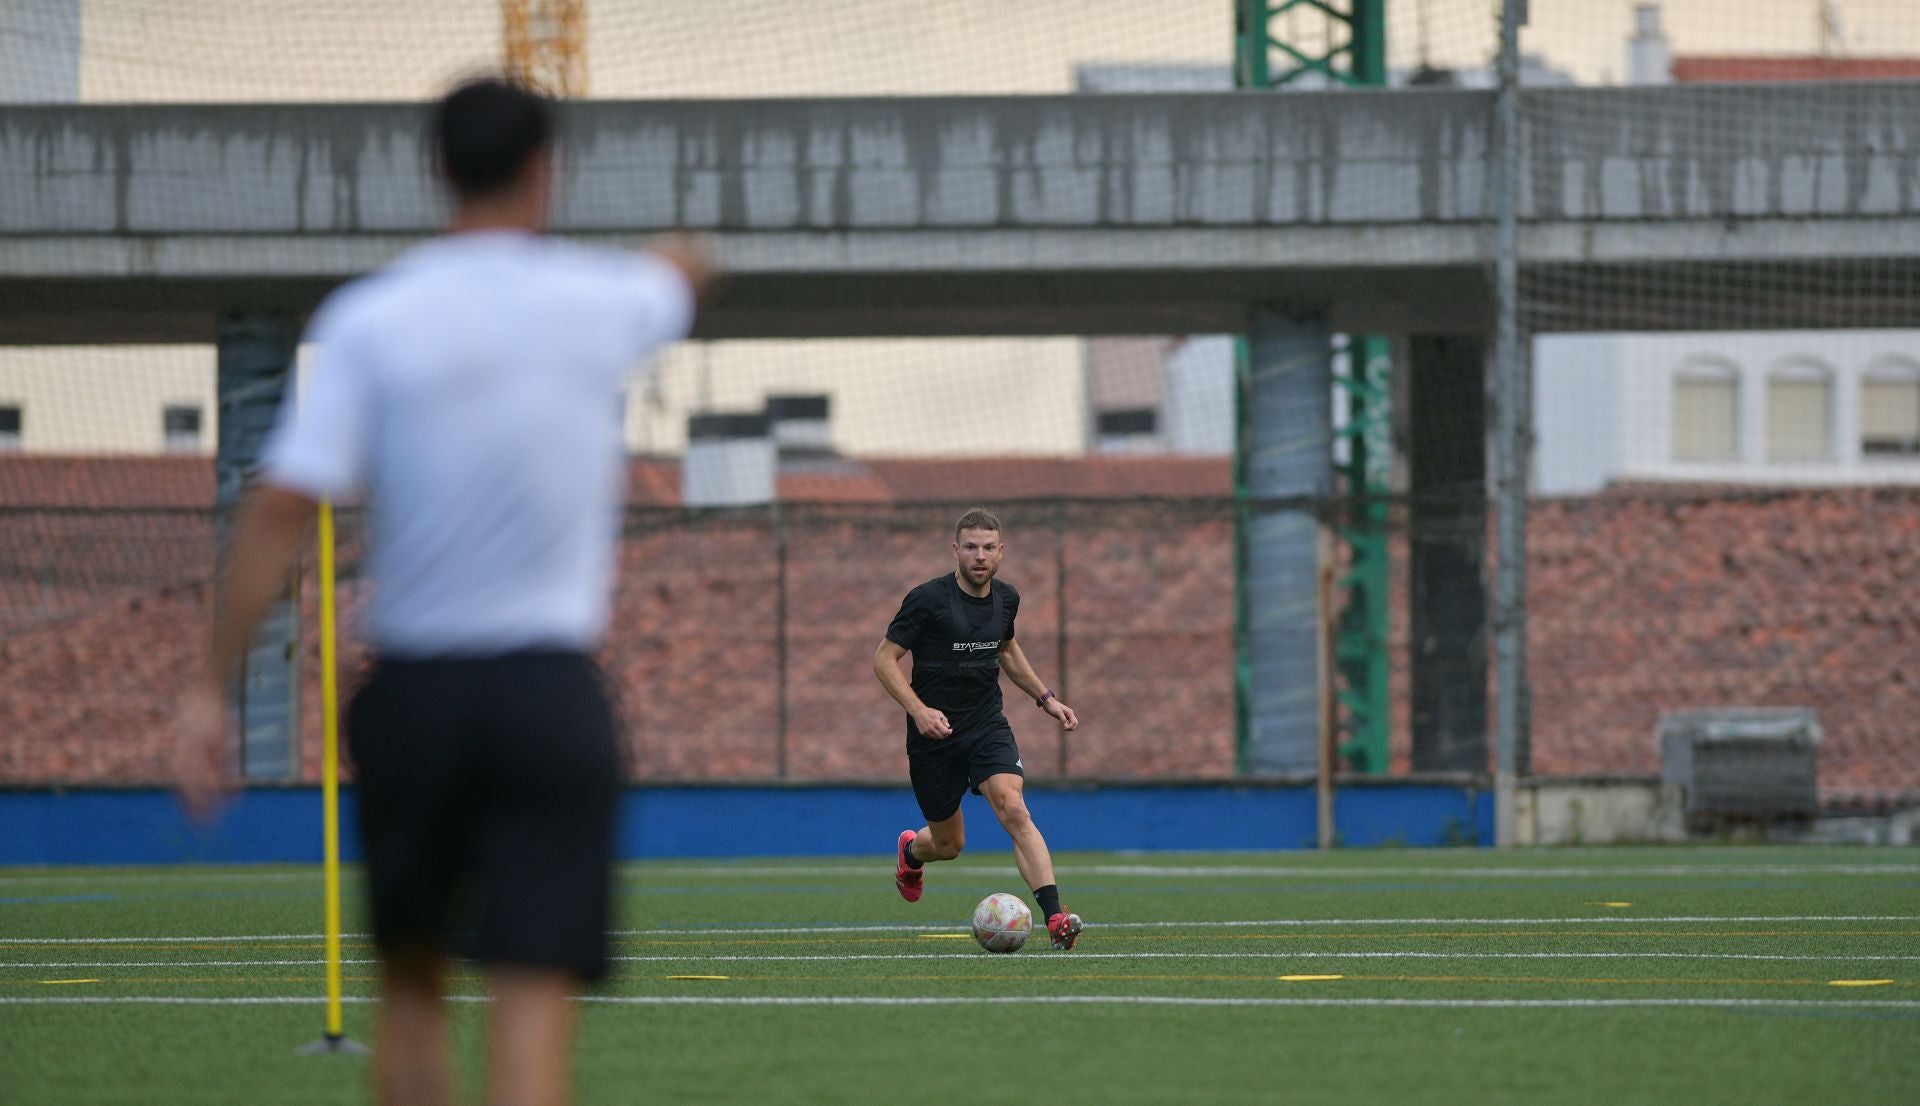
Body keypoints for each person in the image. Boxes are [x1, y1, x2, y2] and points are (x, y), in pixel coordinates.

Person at [172, 76, 714, 1106]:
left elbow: (279, 506)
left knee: (411, 987)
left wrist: (210, 685)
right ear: (546, 170)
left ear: (435, 168)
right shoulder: (602, 301)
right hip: (550, 699)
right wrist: (670, 262)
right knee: (530, 1004)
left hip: (413, 697)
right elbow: (689, 263)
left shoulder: (373, 319)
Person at [873, 507, 1084, 950]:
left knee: (1014, 808)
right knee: (949, 845)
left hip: (986, 723)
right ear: (956, 550)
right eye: (970, 547)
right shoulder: (927, 599)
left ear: (1001, 552)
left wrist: (1046, 699)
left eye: (989, 548)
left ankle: (1056, 917)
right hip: (934, 736)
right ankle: (912, 852)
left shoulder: (1006, 599)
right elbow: (883, 659)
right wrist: (918, 710)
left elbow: (1006, 649)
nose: (980, 556)